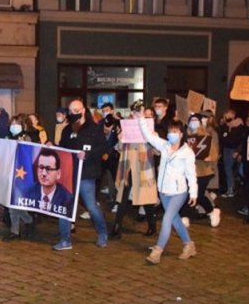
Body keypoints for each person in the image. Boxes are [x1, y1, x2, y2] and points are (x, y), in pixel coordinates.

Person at [137, 114, 198, 264]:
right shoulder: (164, 145)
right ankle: (189, 245)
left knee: (166, 218)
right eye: (171, 131)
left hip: (179, 192)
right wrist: (141, 120)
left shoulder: (187, 152)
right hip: (164, 190)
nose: (172, 134)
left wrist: (193, 193)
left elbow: (191, 174)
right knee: (175, 219)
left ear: (181, 134)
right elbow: (149, 137)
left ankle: (157, 251)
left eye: (176, 132)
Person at [53, 99, 108, 251]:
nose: (73, 114)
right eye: (71, 111)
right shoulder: (67, 130)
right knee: (64, 206)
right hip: (69, 173)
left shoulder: (94, 128)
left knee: (91, 206)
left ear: (83, 110)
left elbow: (103, 147)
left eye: (76, 110)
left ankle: (102, 232)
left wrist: (88, 154)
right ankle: (65, 239)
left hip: (86, 174)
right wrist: (52, 147)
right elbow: (62, 150)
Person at [110, 103, 158, 239]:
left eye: (144, 115)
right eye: (137, 114)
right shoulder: (128, 128)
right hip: (128, 167)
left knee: (146, 197)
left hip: (143, 168)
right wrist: (121, 138)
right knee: (123, 196)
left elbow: (158, 151)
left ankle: (152, 225)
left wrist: (153, 138)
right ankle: (117, 226)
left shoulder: (151, 131)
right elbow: (119, 148)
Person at [181, 113, 221, 228]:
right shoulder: (185, 136)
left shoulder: (207, 136)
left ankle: (189, 215)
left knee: (197, 194)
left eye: (196, 120)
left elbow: (214, 153)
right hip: (189, 170)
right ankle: (209, 211)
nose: (193, 122)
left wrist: (209, 158)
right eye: (191, 120)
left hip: (203, 170)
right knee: (191, 193)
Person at [4, 115, 36, 241]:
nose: (13, 126)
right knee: (12, 203)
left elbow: (28, 154)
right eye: (12, 123)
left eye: (16, 123)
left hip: (21, 175)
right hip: (9, 173)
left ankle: (15, 231)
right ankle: (28, 220)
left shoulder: (25, 138)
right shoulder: (7, 138)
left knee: (14, 204)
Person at [21, 148, 74, 218]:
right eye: (41, 167)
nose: (43, 173)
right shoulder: (27, 193)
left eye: (48, 169)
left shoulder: (67, 199)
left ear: (58, 174)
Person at [219, 108, 245, 198]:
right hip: (227, 149)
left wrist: (238, 151)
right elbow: (222, 138)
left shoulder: (239, 125)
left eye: (228, 114)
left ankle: (237, 188)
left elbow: (241, 139)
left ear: (233, 115)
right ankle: (231, 188)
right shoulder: (225, 126)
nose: (226, 116)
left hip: (234, 149)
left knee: (238, 170)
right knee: (228, 169)